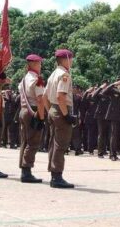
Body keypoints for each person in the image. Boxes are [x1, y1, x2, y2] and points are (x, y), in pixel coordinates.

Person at [43, 49, 76, 188]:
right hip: (61, 109)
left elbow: (45, 97)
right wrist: (66, 115)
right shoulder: (64, 75)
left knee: (54, 143)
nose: (72, 61)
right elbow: (60, 96)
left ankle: (53, 173)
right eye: (71, 58)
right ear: (66, 59)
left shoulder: (53, 74)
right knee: (60, 144)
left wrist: (50, 110)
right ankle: (57, 176)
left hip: (53, 109)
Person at [18, 54, 45, 183]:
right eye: (39, 63)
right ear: (33, 64)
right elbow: (40, 100)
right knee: (33, 142)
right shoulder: (36, 80)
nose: (40, 66)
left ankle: (23, 168)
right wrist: (41, 117)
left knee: (25, 141)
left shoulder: (24, 79)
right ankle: (26, 170)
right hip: (33, 111)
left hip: (23, 110)